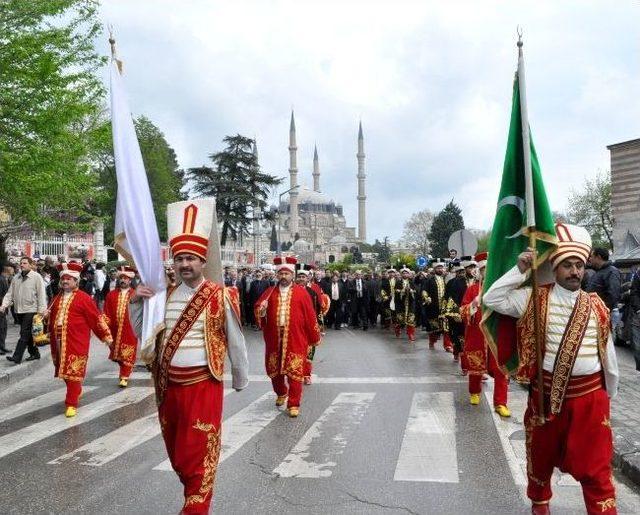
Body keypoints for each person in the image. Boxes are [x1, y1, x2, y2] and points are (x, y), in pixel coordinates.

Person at [483, 224, 619, 515]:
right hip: (546, 397)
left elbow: (608, 356)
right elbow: (491, 300)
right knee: (541, 459)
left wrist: (611, 394)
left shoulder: (596, 306)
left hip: (590, 399)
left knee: (597, 468)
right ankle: (540, 506)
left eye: (579, 266)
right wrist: (520, 270)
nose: (574, 271)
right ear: (555, 268)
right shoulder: (534, 297)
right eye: (567, 265)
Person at [135, 199, 249, 514]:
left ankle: (195, 508)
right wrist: (136, 301)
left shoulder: (219, 295)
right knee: (178, 454)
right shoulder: (164, 296)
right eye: (179, 259)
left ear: (202, 261)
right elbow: (141, 333)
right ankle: (191, 496)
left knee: (199, 452)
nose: (184, 264)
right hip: (168, 387)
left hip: (203, 384)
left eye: (191, 259)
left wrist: (240, 375)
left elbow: (235, 338)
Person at [255, 256, 321, 417]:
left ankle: (293, 402)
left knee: (295, 369)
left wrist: (314, 336)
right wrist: (262, 310)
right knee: (274, 370)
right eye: (281, 274)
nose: (283, 276)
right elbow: (258, 310)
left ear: (292, 275)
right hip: (274, 337)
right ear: (277, 275)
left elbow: (310, 316)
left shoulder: (301, 293)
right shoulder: (269, 293)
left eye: (287, 274)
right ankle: (281, 393)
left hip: (295, 337)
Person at [47, 262, 113, 417]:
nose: (65, 281)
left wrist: (106, 337)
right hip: (57, 341)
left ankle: (71, 403)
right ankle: (76, 390)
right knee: (62, 369)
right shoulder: (56, 298)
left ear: (76, 281)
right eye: (63, 279)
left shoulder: (84, 298)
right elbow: (52, 316)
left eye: (68, 279)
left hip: (76, 340)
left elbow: (95, 318)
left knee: (73, 369)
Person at [460, 252, 510, 416]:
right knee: (476, 366)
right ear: (479, 272)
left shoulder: (502, 289)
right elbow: (462, 310)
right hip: (477, 335)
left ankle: (500, 403)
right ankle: (474, 392)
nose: (487, 273)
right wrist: (473, 305)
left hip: (497, 335)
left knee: (501, 370)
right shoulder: (472, 289)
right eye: (484, 270)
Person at [0, 256, 47, 364]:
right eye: (21, 263)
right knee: (28, 334)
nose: (22, 265)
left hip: (32, 309)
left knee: (24, 332)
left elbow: (41, 295)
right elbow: (9, 294)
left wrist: (41, 311)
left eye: (25, 263)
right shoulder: (16, 278)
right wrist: (4, 305)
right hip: (19, 310)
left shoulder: (36, 277)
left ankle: (17, 356)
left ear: (30, 265)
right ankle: (34, 353)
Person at [103, 266, 138, 387]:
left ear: (130, 280)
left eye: (126, 278)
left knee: (127, 352)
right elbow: (106, 311)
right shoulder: (111, 295)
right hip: (114, 329)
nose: (123, 280)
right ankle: (124, 369)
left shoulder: (135, 294)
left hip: (130, 329)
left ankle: (125, 375)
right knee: (117, 354)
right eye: (121, 278)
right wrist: (105, 326)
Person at [442, 259, 475, 366]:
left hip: (475, 315)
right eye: (470, 267)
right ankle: (465, 366)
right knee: (462, 340)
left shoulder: (478, 281)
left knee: (475, 342)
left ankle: (477, 368)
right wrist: (456, 314)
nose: (473, 270)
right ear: (465, 269)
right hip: (460, 315)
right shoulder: (457, 282)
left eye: (474, 267)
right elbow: (452, 299)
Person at [424, 259, 450, 351]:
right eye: (438, 268)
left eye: (441, 268)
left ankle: (447, 345)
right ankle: (432, 341)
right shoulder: (429, 280)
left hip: (444, 307)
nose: (440, 269)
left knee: (446, 327)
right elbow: (424, 291)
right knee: (434, 327)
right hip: (433, 307)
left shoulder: (445, 280)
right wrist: (426, 297)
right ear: (435, 269)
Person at [585, 247, 621, 312]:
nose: (590, 259)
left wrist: (601, 309)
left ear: (598, 257)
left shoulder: (612, 272)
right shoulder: (598, 272)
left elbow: (613, 295)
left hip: (603, 314)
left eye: (592, 256)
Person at [394, 267, 417, 341]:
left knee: (411, 319)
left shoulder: (411, 282)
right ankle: (397, 331)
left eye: (406, 273)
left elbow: (416, 291)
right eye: (403, 273)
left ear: (409, 274)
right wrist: (402, 291)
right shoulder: (398, 282)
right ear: (401, 274)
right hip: (400, 303)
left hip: (410, 303)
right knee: (400, 319)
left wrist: (411, 291)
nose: (405, 274)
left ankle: (411, 334)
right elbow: (396, 291)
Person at [0, 266, 10, 355]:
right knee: (2, 328)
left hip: (3, 308)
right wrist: (5, 303)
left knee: (4, 328)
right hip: (1, 308)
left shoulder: (4, 279)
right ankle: (1, 348)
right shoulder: (1, 279)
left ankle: (2, 347)